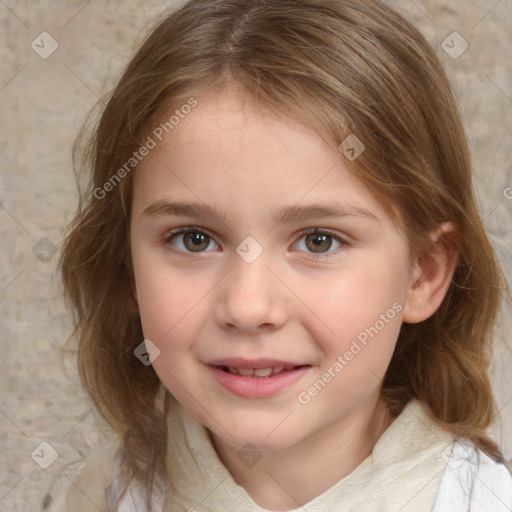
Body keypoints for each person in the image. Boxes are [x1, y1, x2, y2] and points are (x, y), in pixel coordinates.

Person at [45, 0, 512, 510]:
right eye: (194, 239)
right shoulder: (92, 498)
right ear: (127, 265)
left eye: (318, 241)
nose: (247, 307)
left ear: (423, 273)